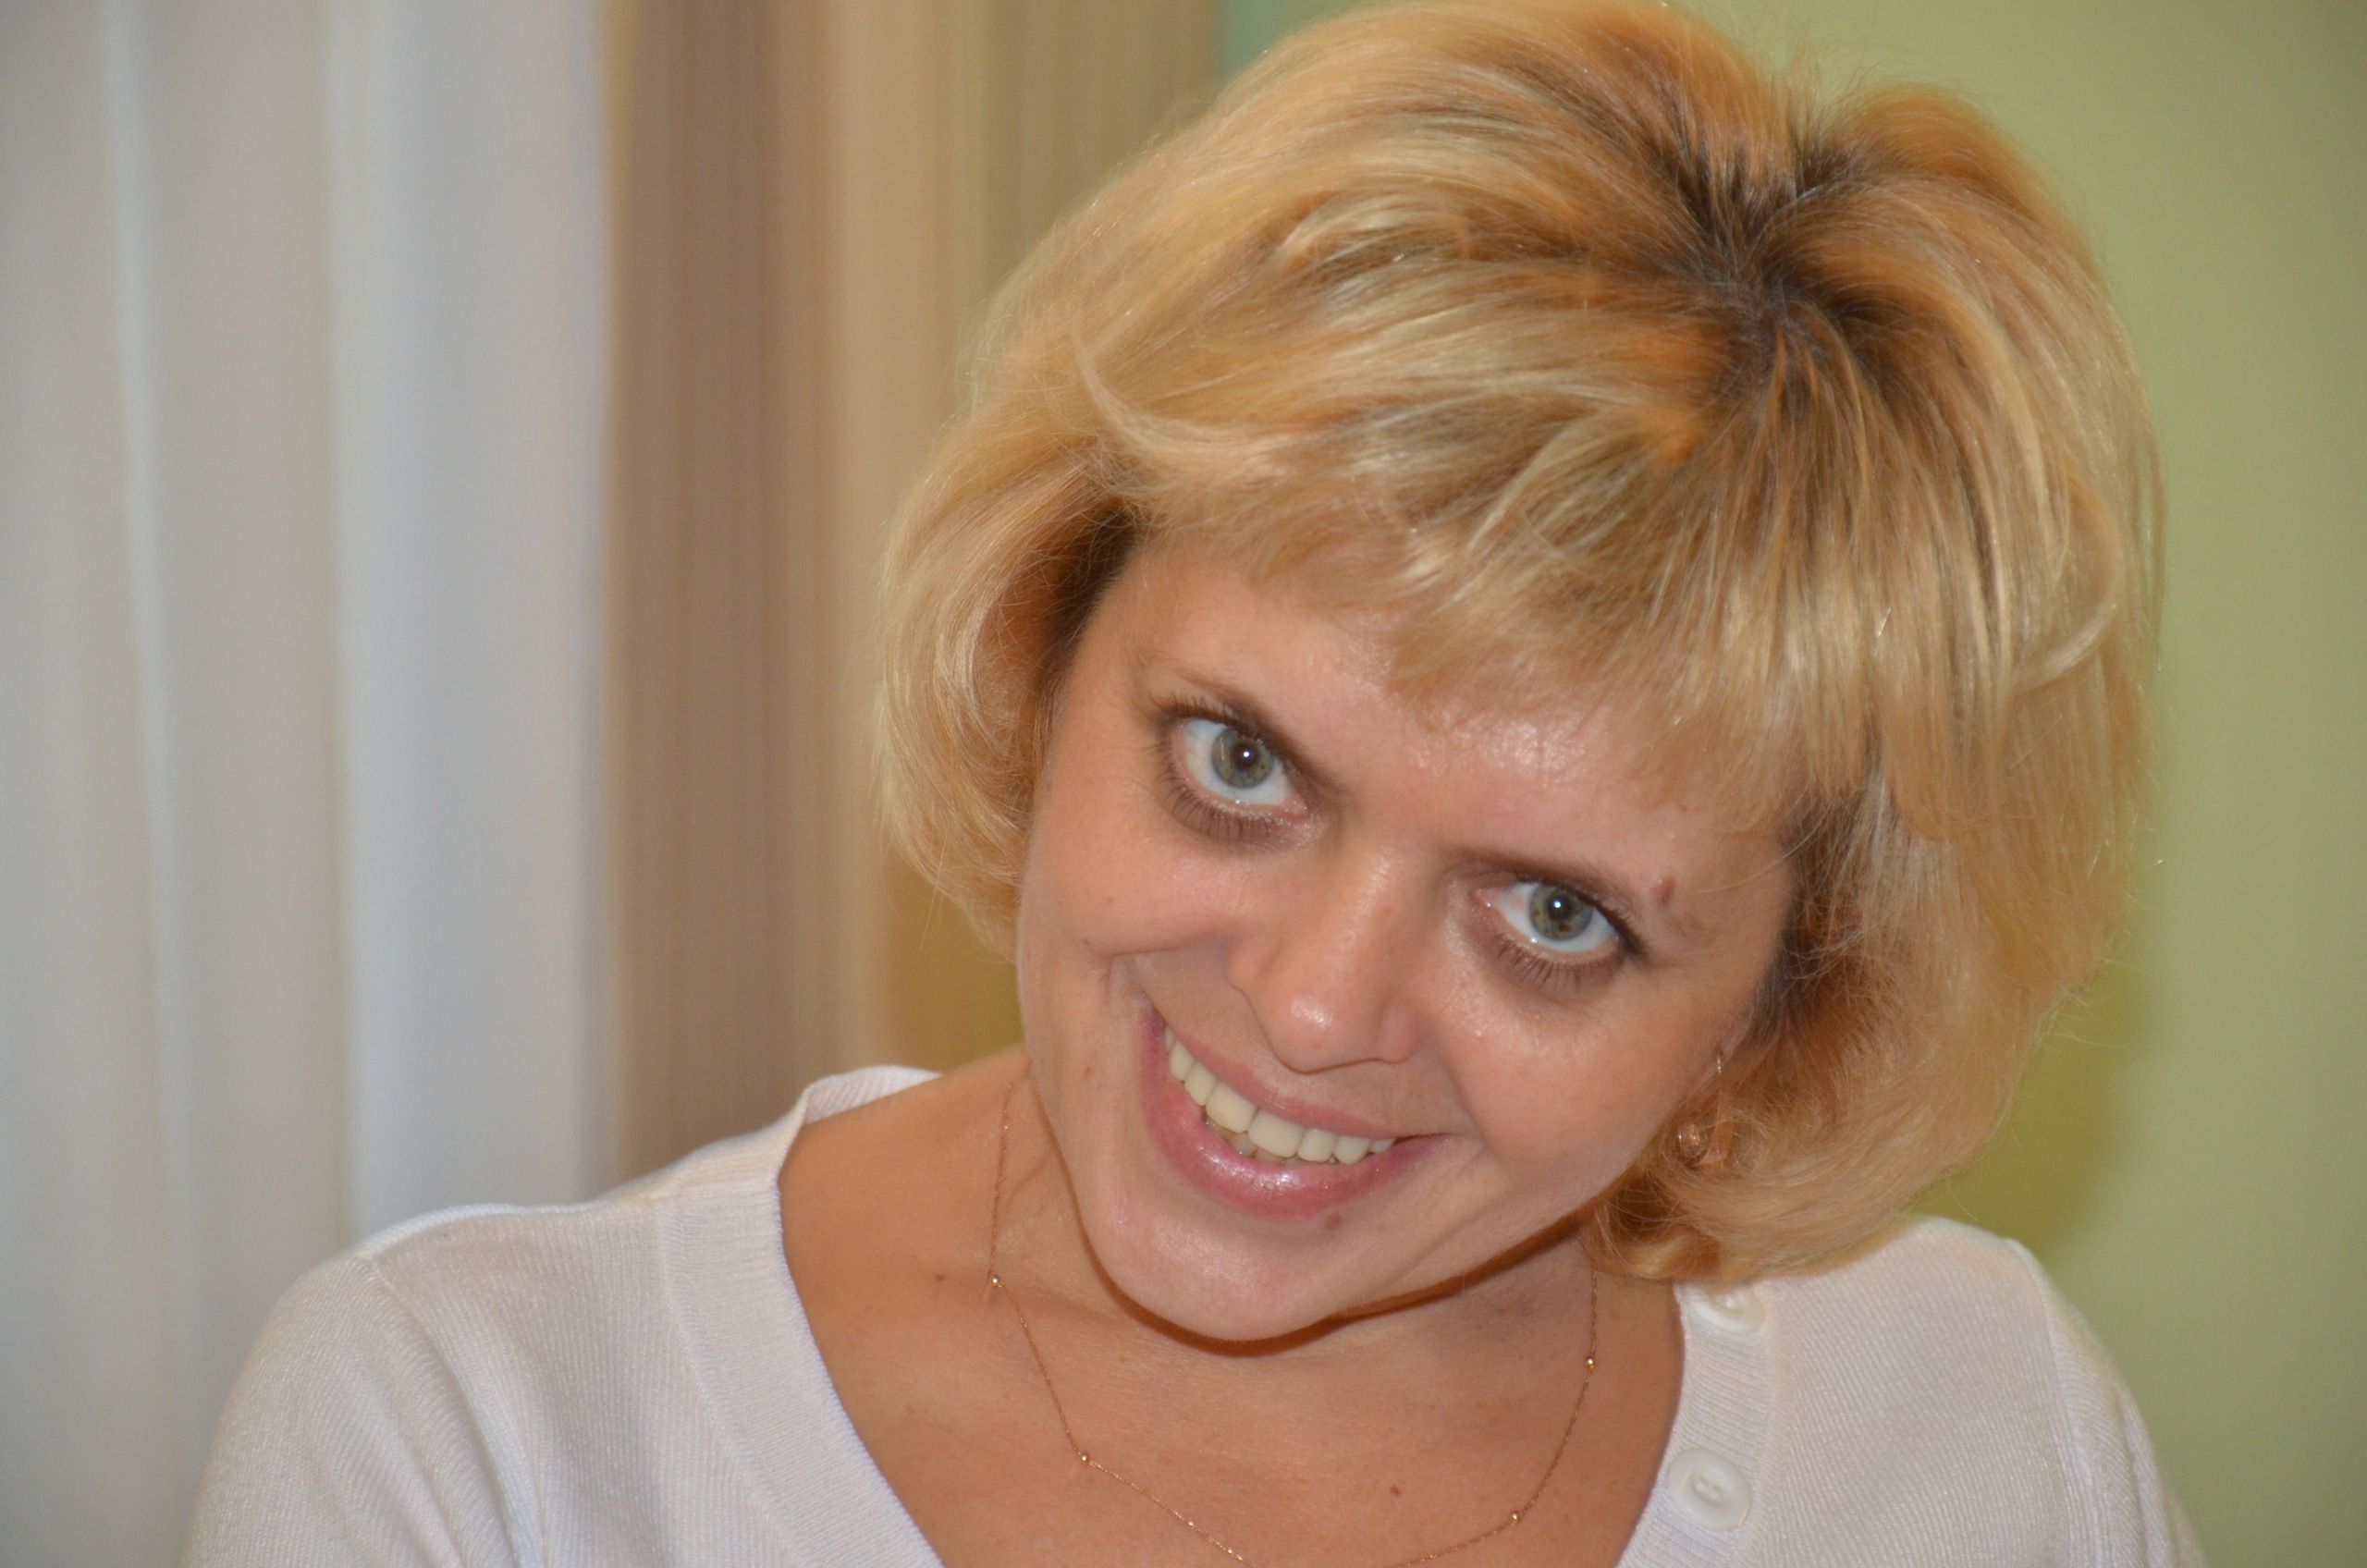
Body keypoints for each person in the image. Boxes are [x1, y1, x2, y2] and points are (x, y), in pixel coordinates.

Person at [184, 1, 2201, 1562]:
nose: (1312, 1005)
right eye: (1240, 764)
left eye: (1553, 916)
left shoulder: (1976, 1429)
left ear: (1784, 1005)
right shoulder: (483, 1437)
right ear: (1041, 645)